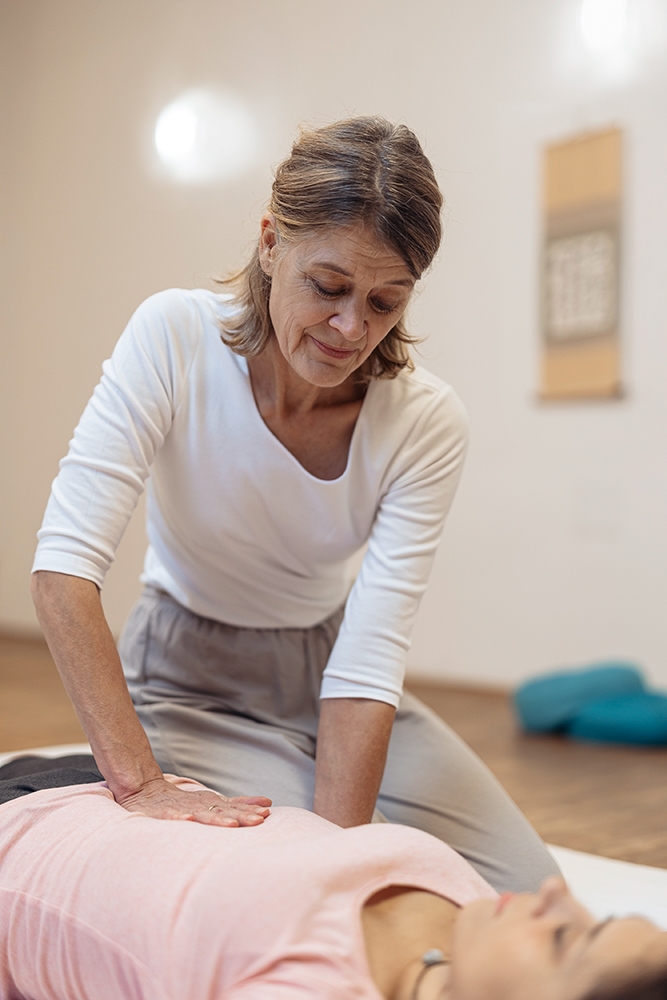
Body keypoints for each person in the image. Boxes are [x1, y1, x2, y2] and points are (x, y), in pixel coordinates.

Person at [30, 115, 558, 893]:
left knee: (529, 890)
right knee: (352, 880)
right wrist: (140, 783)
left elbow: (368, 657)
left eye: (385, 301)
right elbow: (63, 571)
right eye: (328, 287)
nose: (352, 328)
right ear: (271, 244)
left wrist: (342, 865)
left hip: (328, 673)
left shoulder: (425, 421)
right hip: (187, 679)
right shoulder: (173, 336)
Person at [0, 758, 665, 1000]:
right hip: (123, 783)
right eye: (594, 921)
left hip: (18, 841)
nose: (556, 895)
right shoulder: (478, 926)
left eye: (565, 941)